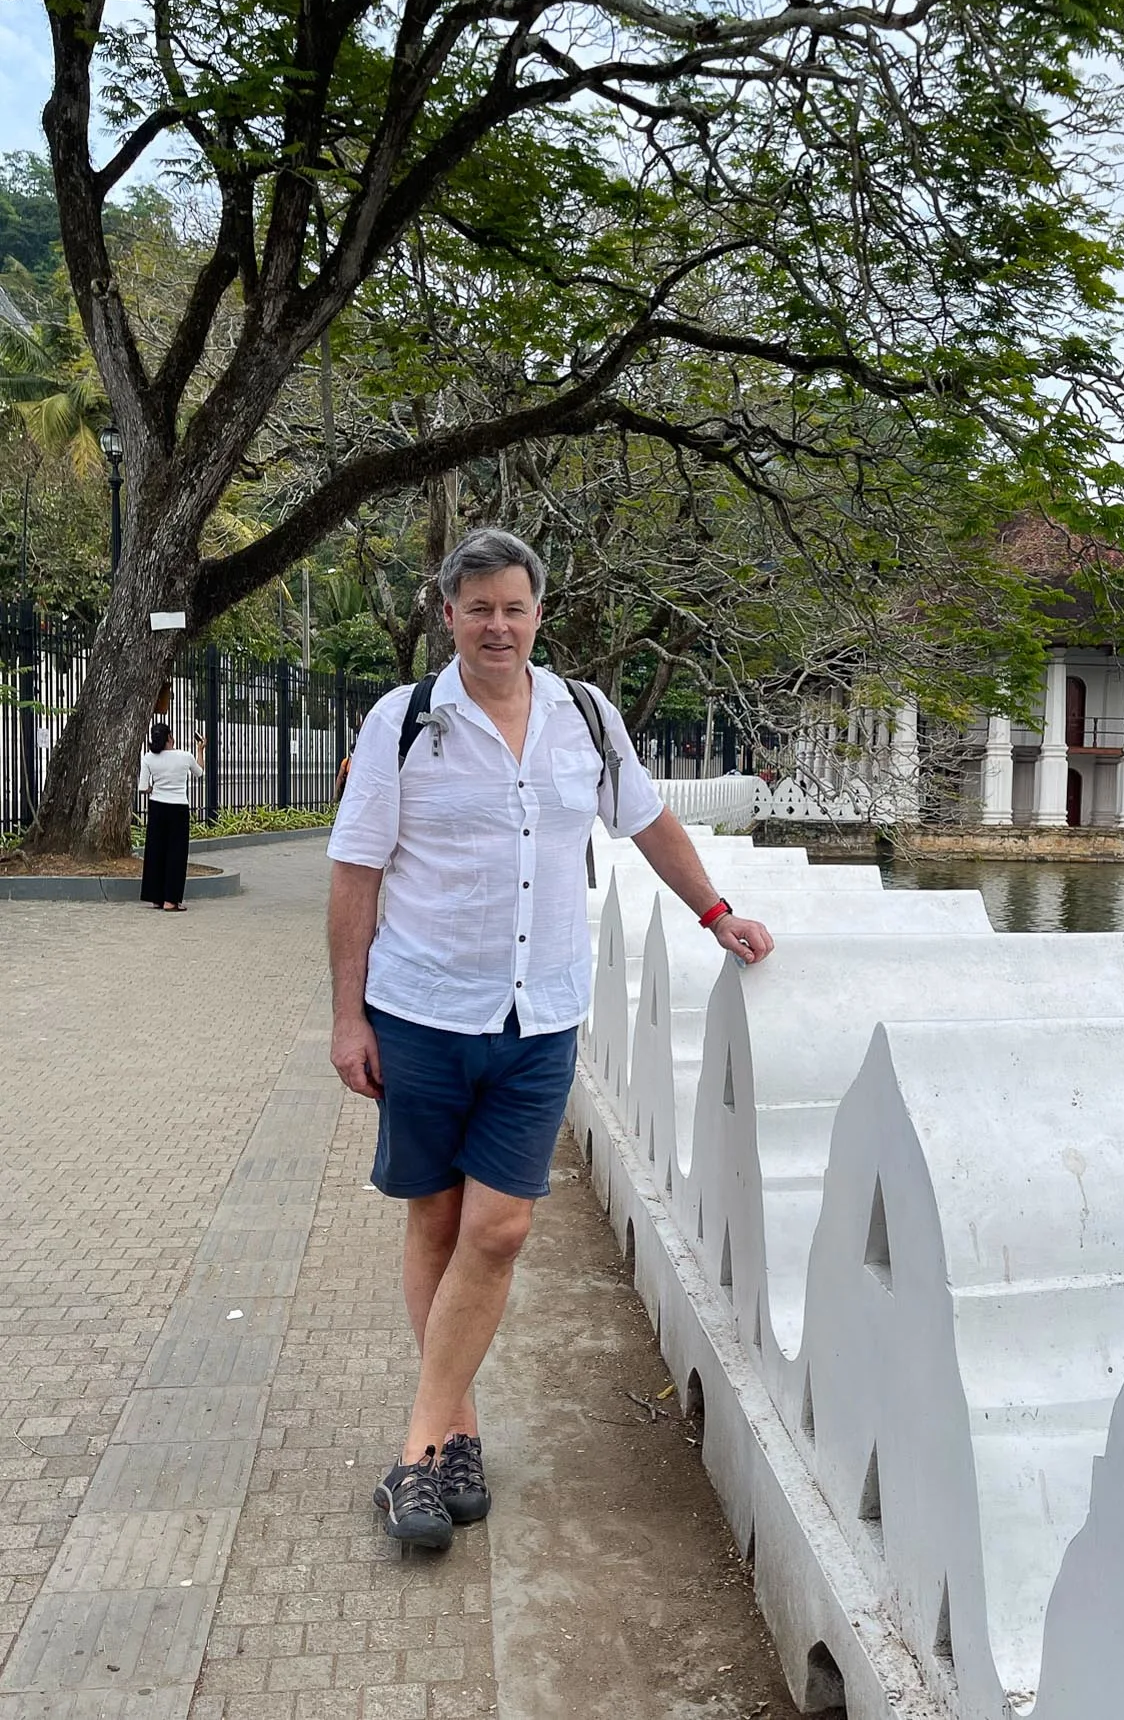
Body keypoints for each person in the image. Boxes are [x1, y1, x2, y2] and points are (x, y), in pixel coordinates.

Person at [326, 528, 774, 1552]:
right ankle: (456, 1436)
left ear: (538, 614)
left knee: (500, 1231)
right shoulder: (405, 722)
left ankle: (413, 1451)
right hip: (424, 1012)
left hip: (540, 1018)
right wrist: (348, 1017)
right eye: (478, 608)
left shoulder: (585, 715)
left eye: (513, 608)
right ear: (447, 614)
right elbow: (355, 873)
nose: (497, 626)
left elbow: (648, 821)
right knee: (437, 1222)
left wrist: (714, 913)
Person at [138, 720, 205, 910]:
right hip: (178, 807)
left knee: (156, 851)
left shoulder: (148, 758)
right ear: (170, 737)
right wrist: (200, 750)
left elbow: (143, 787)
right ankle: (171, 900)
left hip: (157, 806)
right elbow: (200, 772)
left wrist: (154, 789)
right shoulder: (185, 756)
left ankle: (156, 897)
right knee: (176, 853)